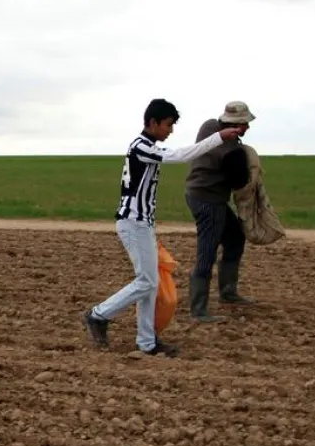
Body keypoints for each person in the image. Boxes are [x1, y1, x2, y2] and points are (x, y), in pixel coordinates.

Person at [83, 98, 246, 356]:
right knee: (147, 282)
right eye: (168, 125)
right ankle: (99, 314)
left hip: (141, 223)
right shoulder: (141, 147)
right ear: (153, 123)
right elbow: (179, 155)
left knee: (150, 282)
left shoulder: (146, 146)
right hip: (133, 222)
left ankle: (147, 343)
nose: (170, 130)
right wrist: (218, 137)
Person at [183, 101, 256, 322]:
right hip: (208, 200)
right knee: (207, 252)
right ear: (236, 124)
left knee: (234, 237)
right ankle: (199, 309)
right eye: (244, 124)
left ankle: (228, 292)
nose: (247, 129)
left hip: (199, 193)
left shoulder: (209, 126)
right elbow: (239, 182)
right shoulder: (232, 151)